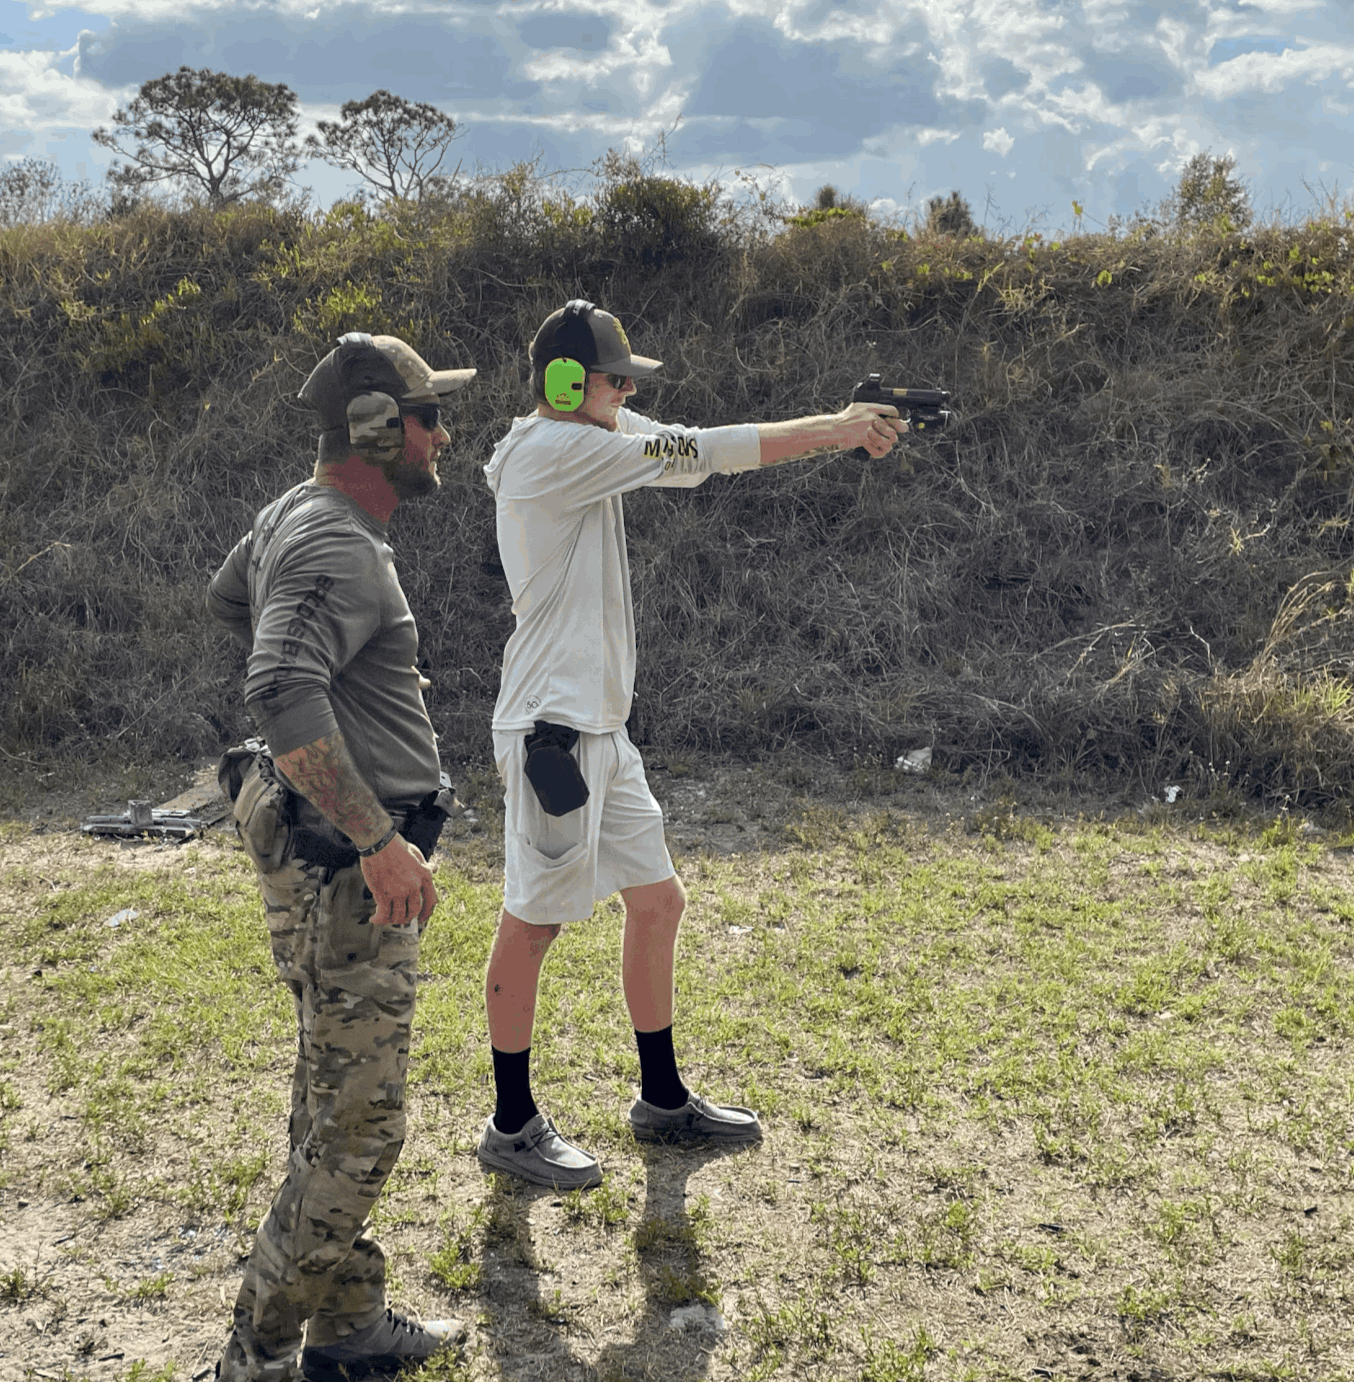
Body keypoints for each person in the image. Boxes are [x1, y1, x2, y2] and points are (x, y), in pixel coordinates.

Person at [474, 300, 909, 1189]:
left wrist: (832, 427)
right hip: (553, 734)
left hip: (600, 726)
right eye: (616, 377)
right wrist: (834, 428)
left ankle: (661, 1099)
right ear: (564, 382)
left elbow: (692, 450)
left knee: (658, 901)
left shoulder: (590, 431)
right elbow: (705, 448)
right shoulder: (553, 451)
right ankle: (510, 1124)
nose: (630, 390)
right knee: (535, 918)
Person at [206, 331, 474, 1381]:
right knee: (360, 1125)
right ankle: (257, 1354)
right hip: (347, 871)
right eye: (427, 415)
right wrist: (376, 837)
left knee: (333, 1098)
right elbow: (277, 688)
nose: (442, 435)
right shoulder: (334, 542)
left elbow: (233, 603)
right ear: (376, 427)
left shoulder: (297, 516)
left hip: (324, 860)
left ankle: (347, 1324)